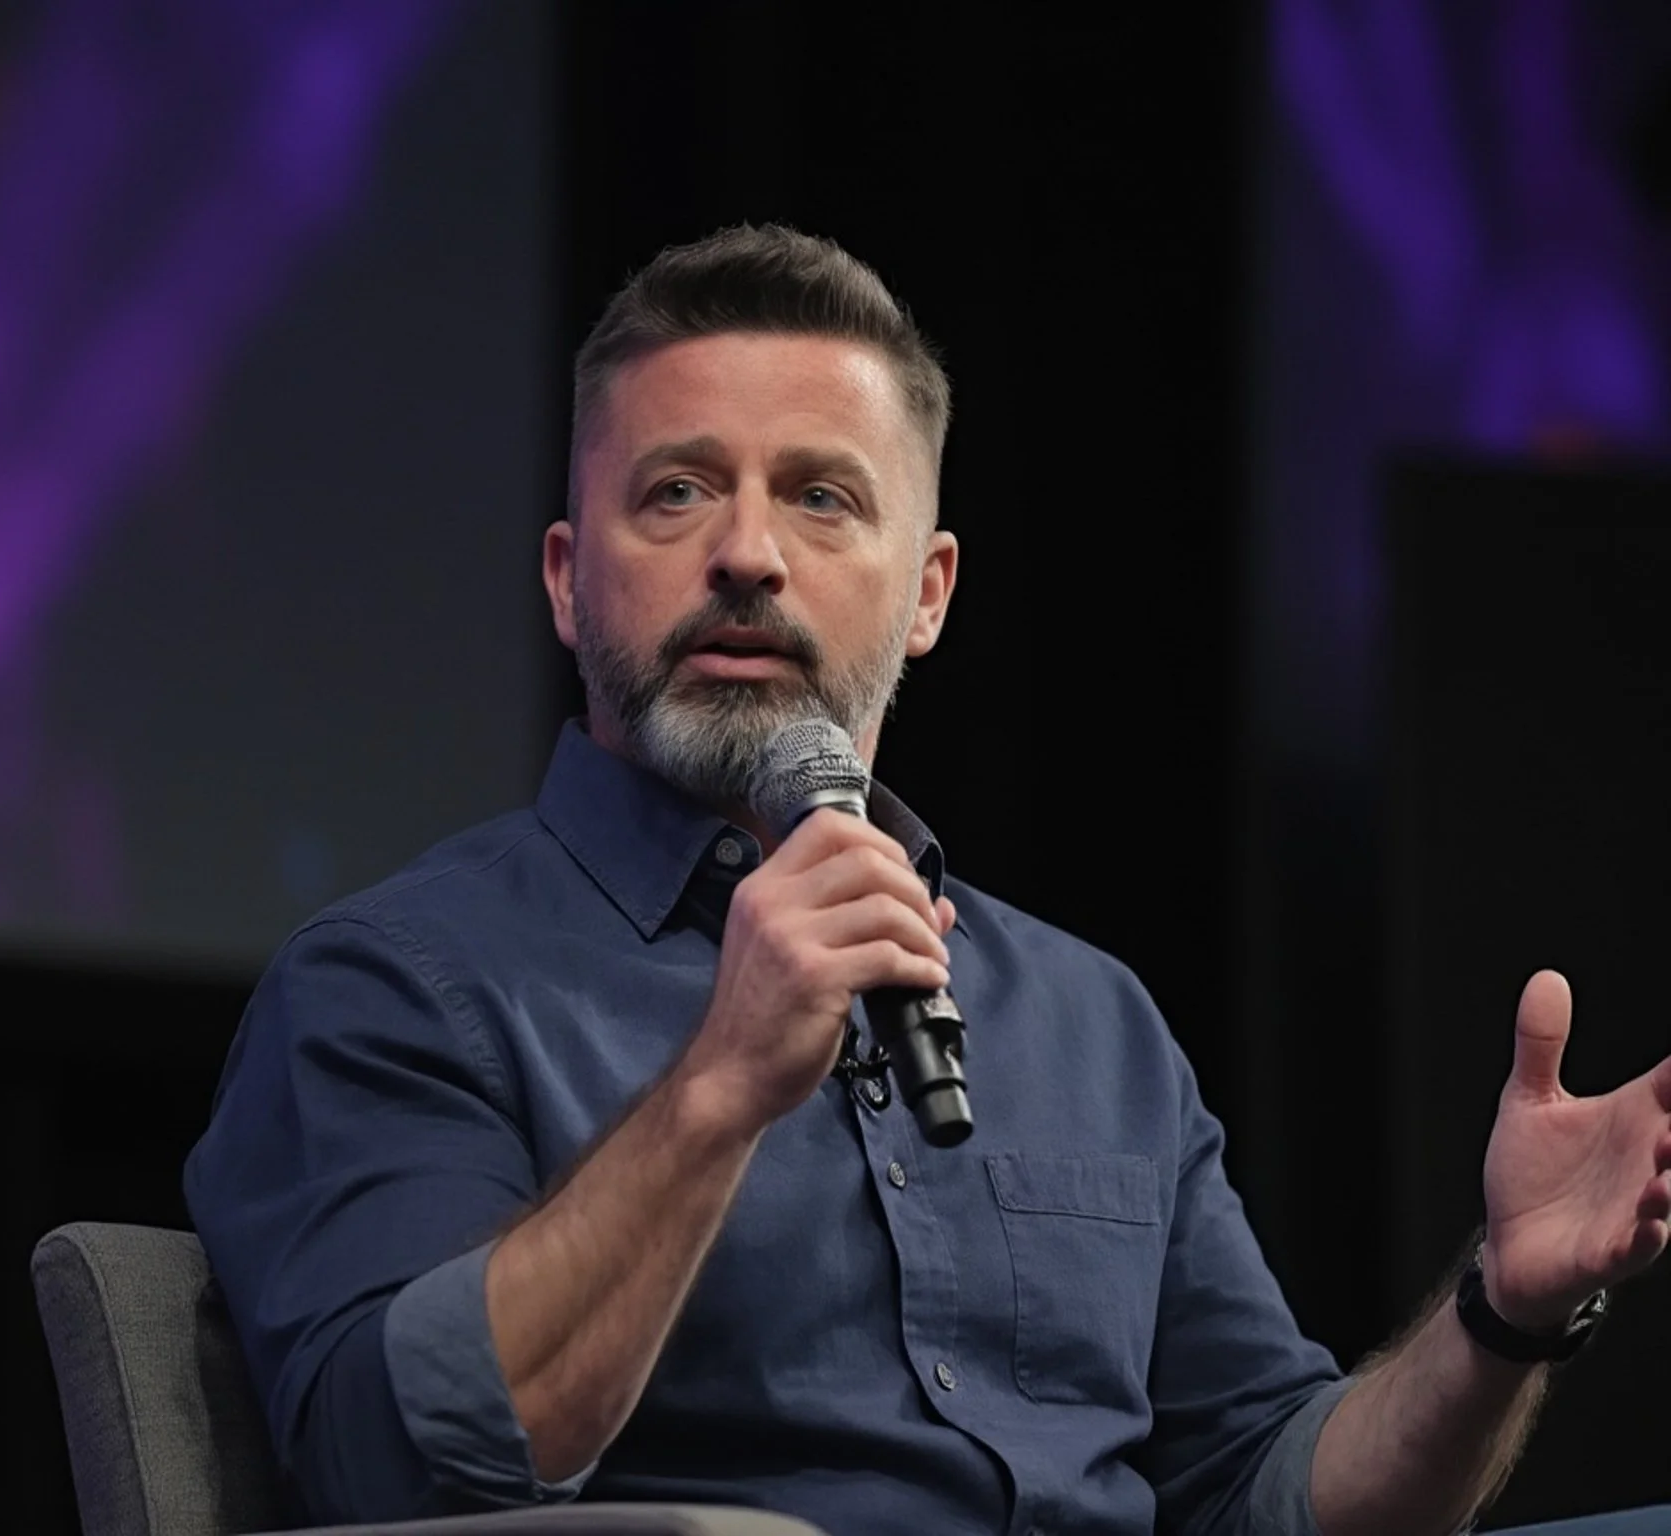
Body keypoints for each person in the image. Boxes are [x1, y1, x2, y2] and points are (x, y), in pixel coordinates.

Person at [185, 225, 1671, 1534]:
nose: (749, 553)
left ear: (930, 593)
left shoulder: (1090, 1022)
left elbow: (1258, 1492)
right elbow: (395, 1477)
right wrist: (721, 1086)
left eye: (823, 498)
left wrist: (1503, 1310)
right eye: (679, 493)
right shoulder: (394, 987)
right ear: (571, 581)